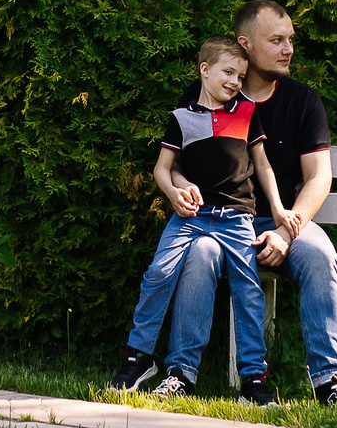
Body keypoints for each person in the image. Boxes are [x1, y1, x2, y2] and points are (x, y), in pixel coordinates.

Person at [153, 0, 337, 406]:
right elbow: (175, 164)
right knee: (198, 253)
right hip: (215, 224)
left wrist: (287, 231)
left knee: (320, 253)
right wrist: (179, 187)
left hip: (283, 223)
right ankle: (181, 374)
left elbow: (319, 177)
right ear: (245, 45)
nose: (289, 49)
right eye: (277, 40)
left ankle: (330, 382)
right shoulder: (205, 97)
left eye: (290, 40)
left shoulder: (303, 102)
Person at [110, 37, 289, 405]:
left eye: (240, 76)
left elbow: (263, 164)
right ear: (204, 71)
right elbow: (162, 169)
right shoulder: (181, 119)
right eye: (228, 72)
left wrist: (279, 209)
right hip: (192, 217)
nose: (235, 82)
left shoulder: (247, 113)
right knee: (158, 273)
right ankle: (137, 357)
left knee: (247, 292)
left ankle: (253, 379)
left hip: (238, 218)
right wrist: (175, 194)